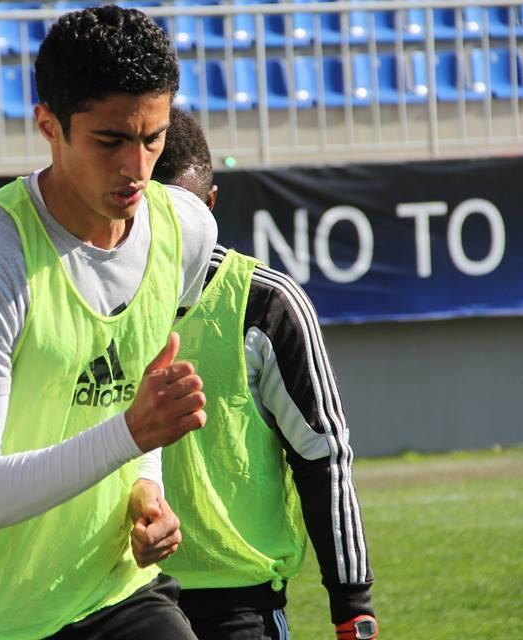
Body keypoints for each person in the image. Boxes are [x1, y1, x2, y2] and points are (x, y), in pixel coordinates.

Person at [0, 8, 218, 639]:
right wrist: (132, 435)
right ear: (48, 126)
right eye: (109, 141)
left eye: (153, 138)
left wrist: (147, 490)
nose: (137, 167)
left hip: (112, 592)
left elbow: (130, 396)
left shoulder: (187, 230)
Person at [150, 108, 379, 640]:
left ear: (209, 206)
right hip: (117, 597)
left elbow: (322, 455)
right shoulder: (94, 300)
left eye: (181, 212)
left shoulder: (266, 304)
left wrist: (352, 602)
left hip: (238, 603)